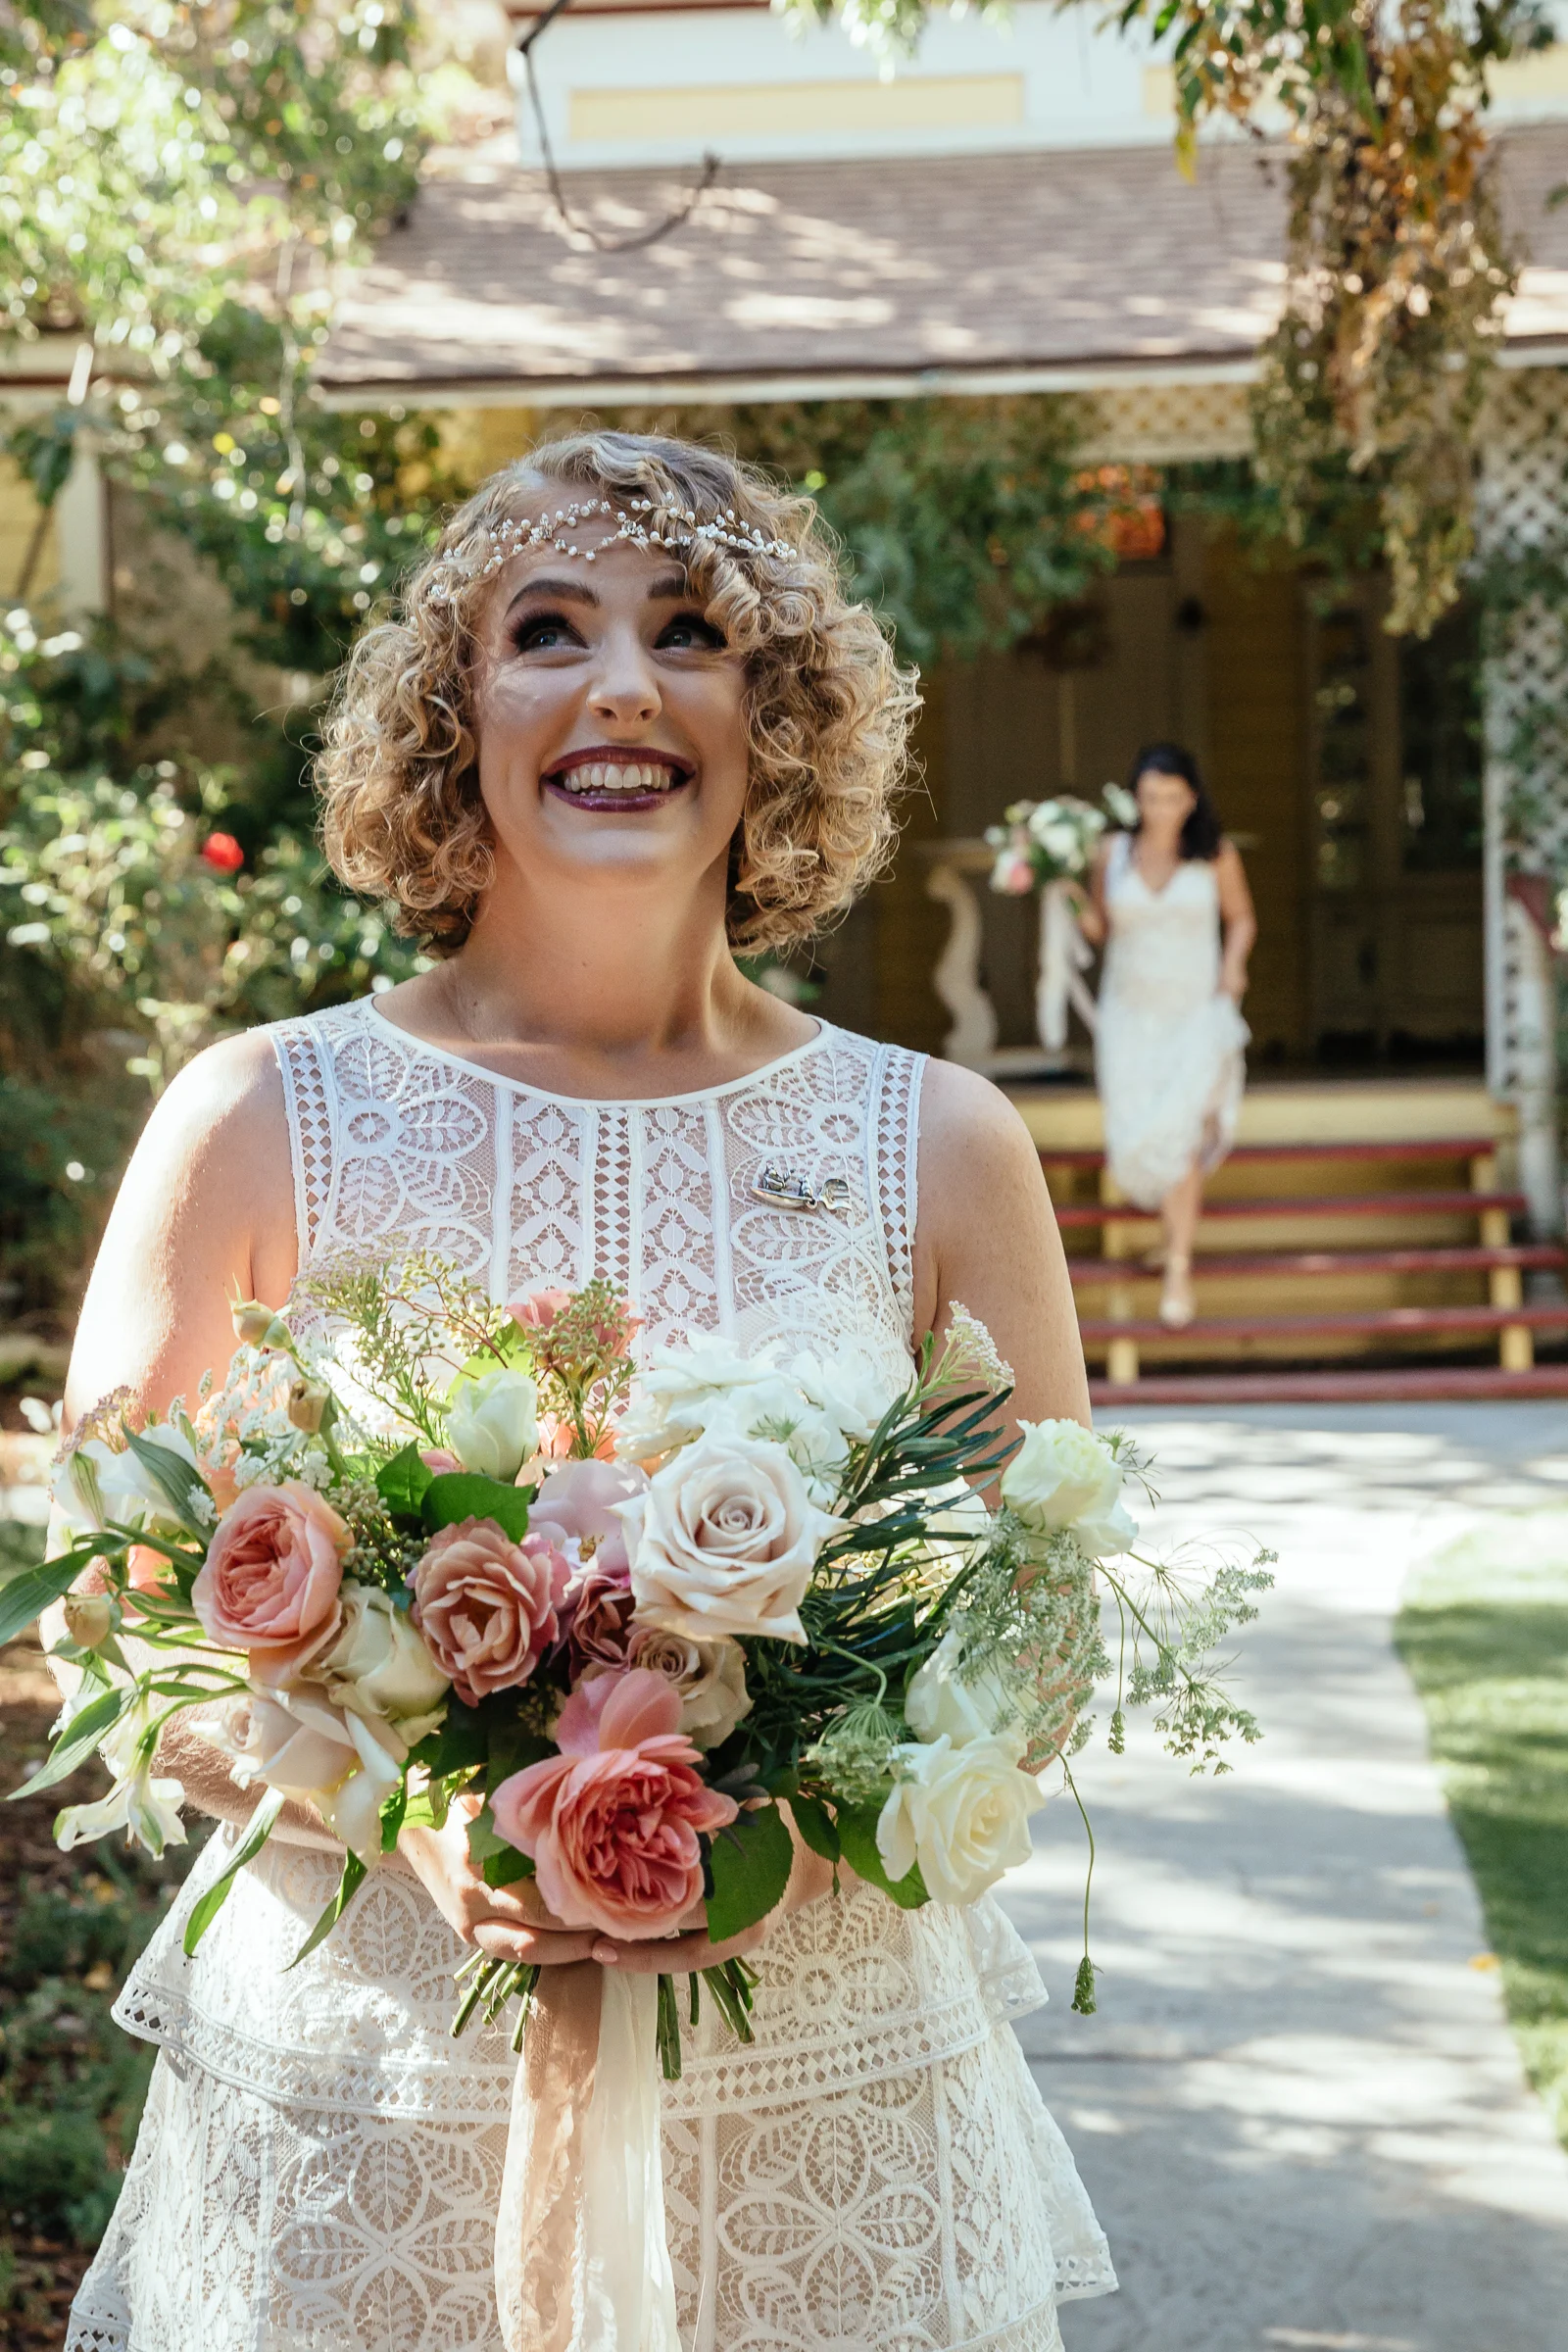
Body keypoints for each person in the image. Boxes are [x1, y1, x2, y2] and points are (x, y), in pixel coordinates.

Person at [61, 431, 1116, 2352]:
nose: (620, 683)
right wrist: (402, 1803)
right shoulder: (253, 1118)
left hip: (824, 2121)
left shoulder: (939, 1143)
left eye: (690, 631)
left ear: (773, 718)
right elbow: (106, 1599)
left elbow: (1042, 1630)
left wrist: (780, 1837)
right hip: (366, 2123)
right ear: (453, 715)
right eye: (547, 630)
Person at [1077, 742, 1255, 1329]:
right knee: (1138, 1135)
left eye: (1172, 797)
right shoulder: (1113, 852)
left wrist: (1234, 965)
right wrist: (1073, 900)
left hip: (1194, 1011)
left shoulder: (1215, 854)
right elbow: (1101, 927)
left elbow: (1242, 919)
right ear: (1136, 799)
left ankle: (1178, 1267)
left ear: (1191, 799)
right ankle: (1170, 1236)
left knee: (1180, 1133)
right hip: (1129, 1015)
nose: (1160, 808)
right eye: (1150, 797)